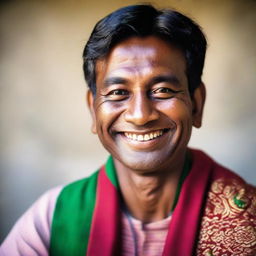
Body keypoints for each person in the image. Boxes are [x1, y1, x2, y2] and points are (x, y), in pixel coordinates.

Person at [1, 4, 255, 256]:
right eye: (118, 93)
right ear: (93, 110)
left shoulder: (247, 220)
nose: (140, 115)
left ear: (196, 104)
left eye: (163, 90)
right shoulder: (50, 222)